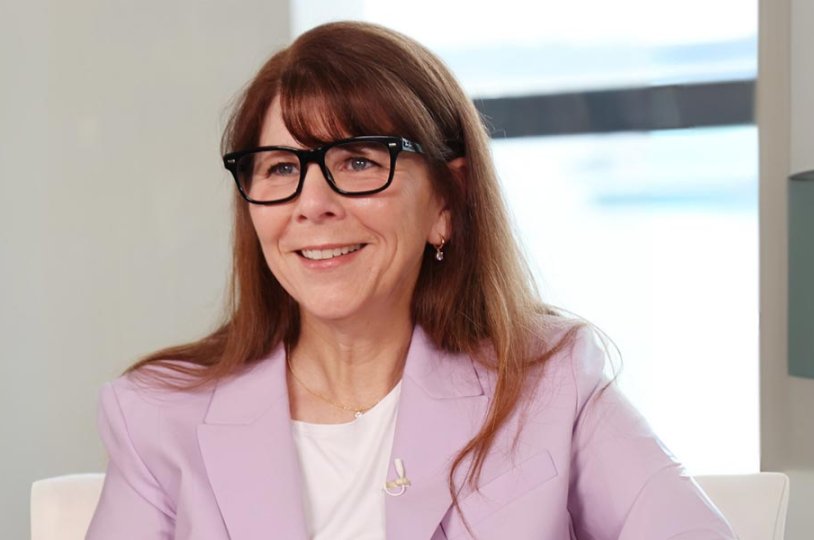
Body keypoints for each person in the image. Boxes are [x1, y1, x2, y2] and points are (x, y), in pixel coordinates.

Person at [86, 21, 735, 540]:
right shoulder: (156, 416)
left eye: (358, 160)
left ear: (447, 200)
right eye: (281, 168)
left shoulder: (551, 381)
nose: (312, 203)